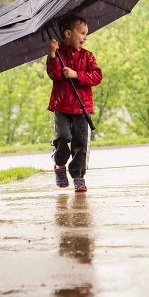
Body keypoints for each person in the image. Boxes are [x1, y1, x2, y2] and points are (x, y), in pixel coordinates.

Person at [46, 14, 103, 192]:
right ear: (68, 34)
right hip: (62, 106)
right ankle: (59, 163)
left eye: (86, 34)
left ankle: (78, 175)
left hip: (81, 107)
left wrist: (76, 74)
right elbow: (54, 75)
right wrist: (52, 54)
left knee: (81, 142)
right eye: (82, 33)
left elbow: (97, 76)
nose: (85, 37)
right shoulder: (58, 54)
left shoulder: (87, 56)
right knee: (63, 137)